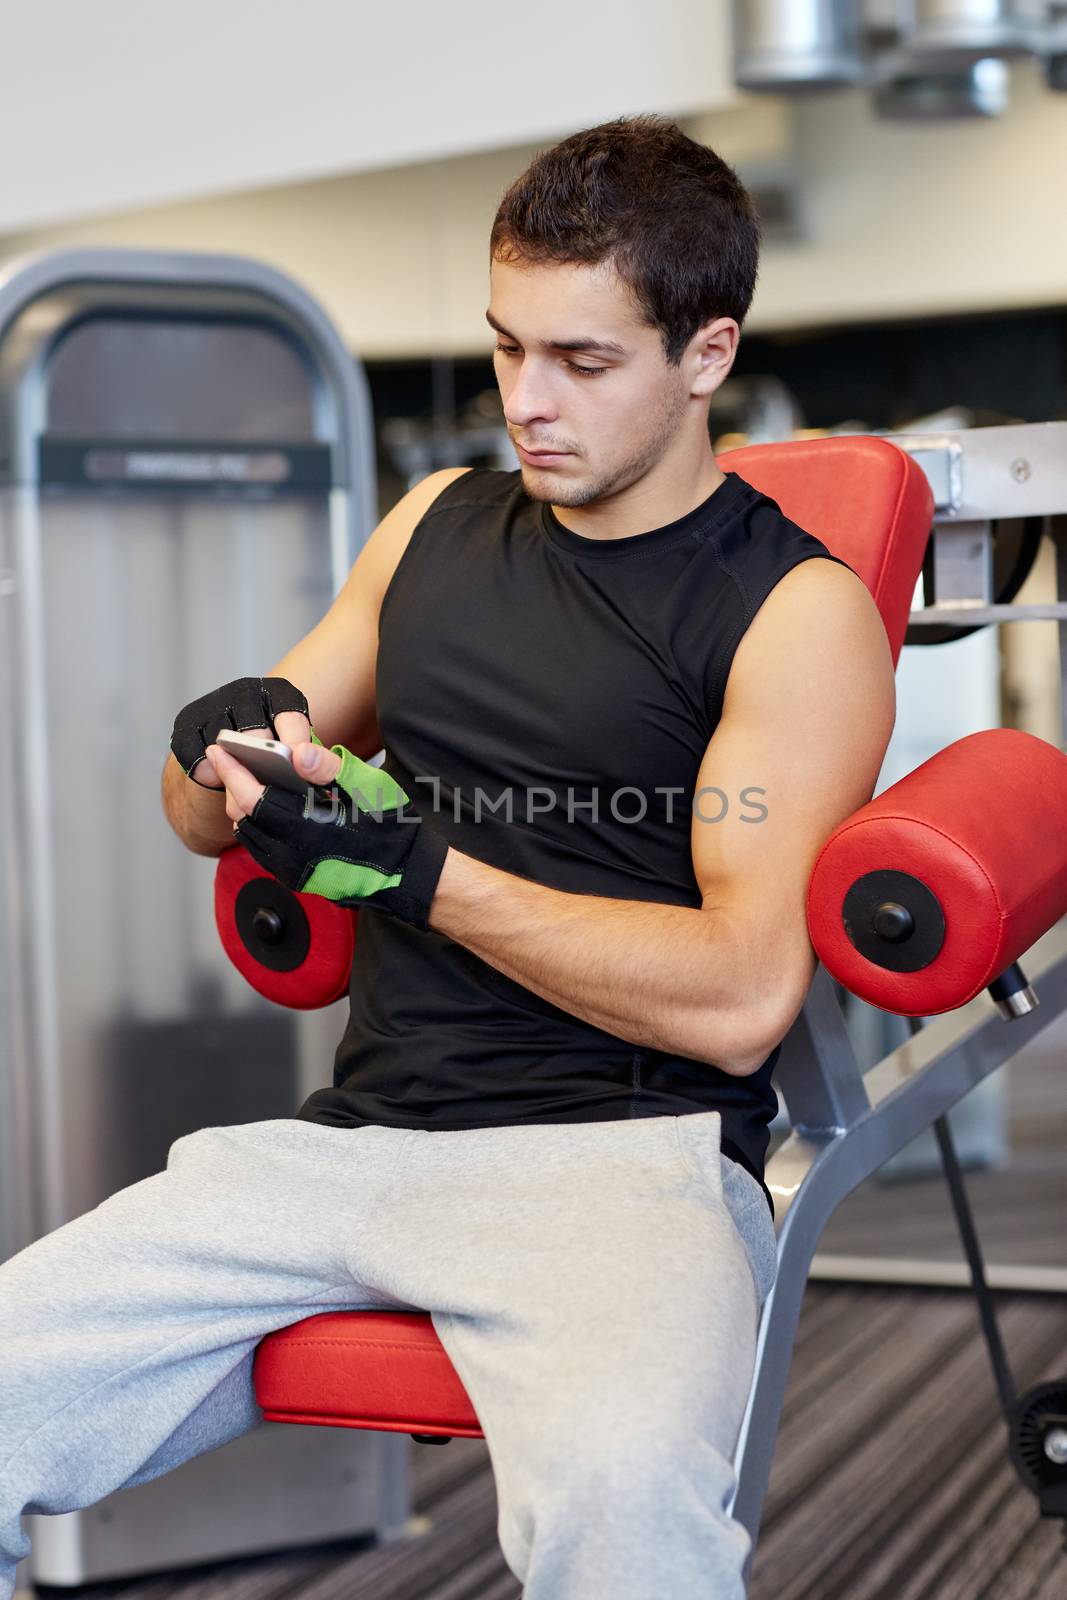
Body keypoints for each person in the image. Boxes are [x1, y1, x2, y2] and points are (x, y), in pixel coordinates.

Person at [0, 115, 895, 1599]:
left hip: (614, 1171)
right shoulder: (432, 525)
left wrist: (411, 868)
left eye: (583, 363)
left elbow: (743, 994)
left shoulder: (794, 616)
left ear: (706, 355)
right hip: (348, 1151)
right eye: (506, 350)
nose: (526, 405)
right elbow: (201, 812)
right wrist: (213, 746)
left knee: (627, 1510)